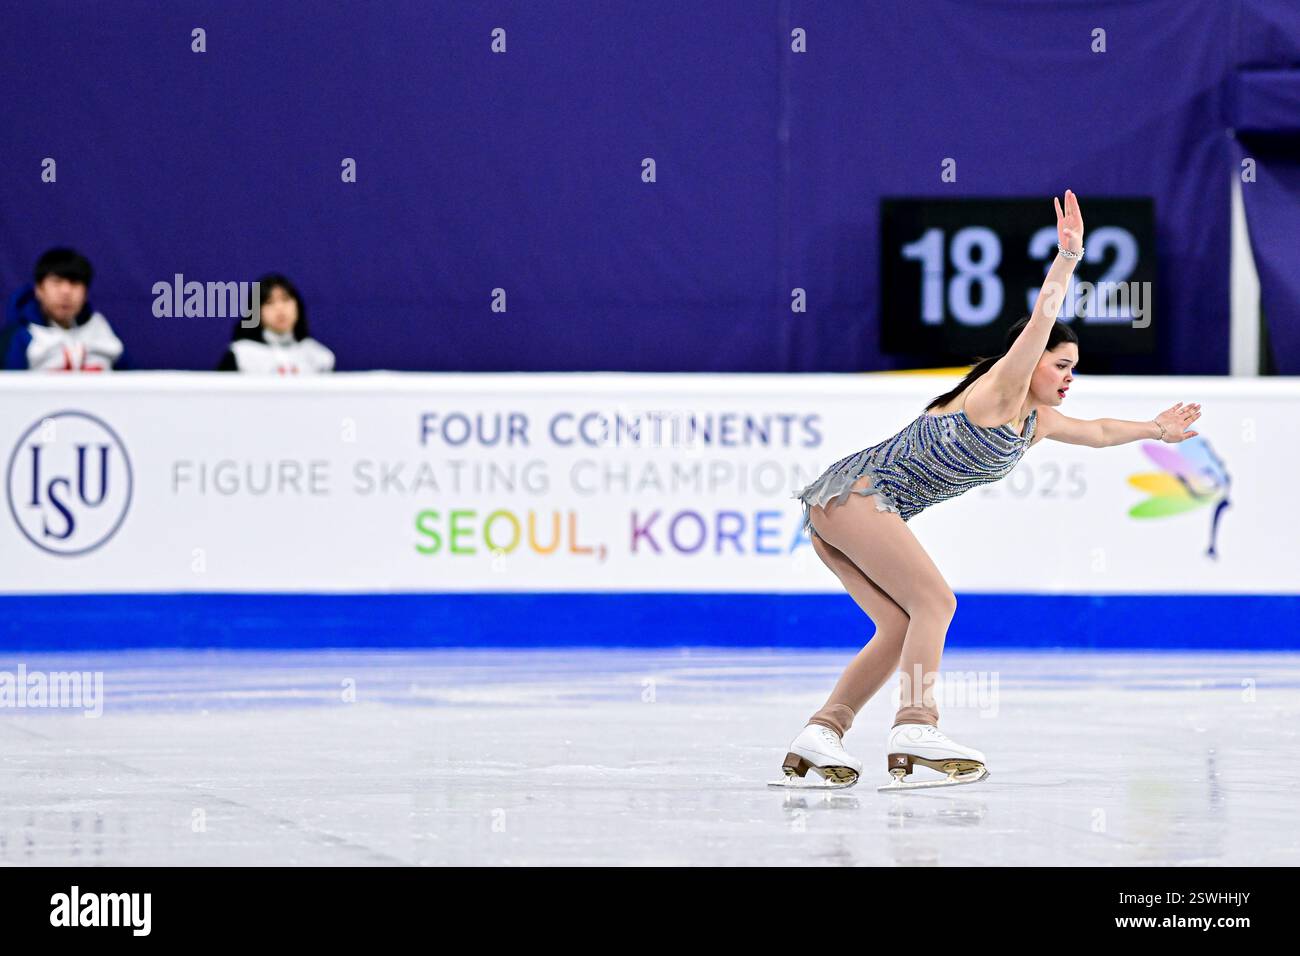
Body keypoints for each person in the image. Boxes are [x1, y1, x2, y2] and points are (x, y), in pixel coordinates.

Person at [775, 191, 1203, 791]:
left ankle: (823, 732)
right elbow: (1041, 318)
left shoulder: (1036, 422)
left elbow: (1101, 432)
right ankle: (915, 724)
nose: (1068, 377)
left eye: (1074, 368)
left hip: (845, 510)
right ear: (1027, 362)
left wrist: (1158, 428)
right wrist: (1069, 257)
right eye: (1060, 365)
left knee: (901, 626)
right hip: (856, 495)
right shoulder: (1002, 391)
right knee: (938, 603)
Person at [1, 248, 127, 371]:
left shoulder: (101, 329)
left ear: (85, 292)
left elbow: (132, 382)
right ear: (39, 290)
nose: (66, 292)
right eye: (56, 282)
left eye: (75, 283)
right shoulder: (20, 336)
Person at [216, 273, 334, 374]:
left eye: (286, 299)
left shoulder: (320, 356)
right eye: (269, 302)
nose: (279, 308)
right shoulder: (241, 355)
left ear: (297, 305)